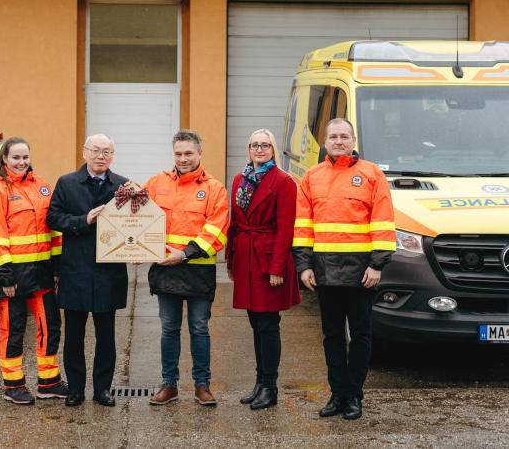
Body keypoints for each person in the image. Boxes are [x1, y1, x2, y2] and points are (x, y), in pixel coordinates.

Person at [293, 118, 396, 420]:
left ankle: (354, 397)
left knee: (361, 337)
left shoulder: (371, 174)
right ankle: (336, 395)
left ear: (353, 141)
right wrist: (304, 266)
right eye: (333, 136)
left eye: (344, 136)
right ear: (325, 142)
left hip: (361, 274)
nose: (339, 141)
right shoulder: (312, 176)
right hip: (324, 273)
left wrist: (378, 265)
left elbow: (383, 222)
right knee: (332, 337)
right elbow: (303, 226)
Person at [0, 137, 67, 405]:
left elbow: (53, 229)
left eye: (25, 157)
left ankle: (48, 381)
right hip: (13, 275)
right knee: (13, 329)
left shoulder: (41, 186)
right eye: (16, 158)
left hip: (41, 273)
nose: (21, 162)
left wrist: (56, 268)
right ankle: (13, 385)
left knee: (50, 325)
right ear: (4, 159)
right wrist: (3, 274)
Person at [145, 130, 229, 407]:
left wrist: (184, 254)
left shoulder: (215, 189)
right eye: (178, 153)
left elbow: (216, 231)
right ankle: (169, 385)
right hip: (166, 271)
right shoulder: (157, 183)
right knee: (169, 329)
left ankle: (202, 386)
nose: (183, 158)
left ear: (199, 153)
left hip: (197, 272)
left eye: (188, 153)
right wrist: (132, 246)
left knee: (199, 329)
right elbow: (136, 216)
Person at [46, 134, 129, 407]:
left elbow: (137, 222)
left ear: (112, 156)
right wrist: (84, 220)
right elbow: (53, 218)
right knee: (74, 336)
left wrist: (138, 248)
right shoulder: (67, 183)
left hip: (110, 272)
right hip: (76, 271)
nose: (100, 156)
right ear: (84, 153)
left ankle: (103, 389)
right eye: (95, 150)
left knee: (107, 336)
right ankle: (76, 389)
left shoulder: (123, 186)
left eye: (106, 151)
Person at [226, 129, 300, 410]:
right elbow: (235, 222)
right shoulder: (239, 179)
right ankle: (259, 383)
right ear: (248, 149)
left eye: (265, 145)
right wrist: (231, 259)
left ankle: (270, 387)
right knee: (255, 323)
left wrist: (277, 266)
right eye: (254, 144)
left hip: (268, 259)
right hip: (245, 256)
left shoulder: (283, 181)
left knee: (268, 325)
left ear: (273, 149)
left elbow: (286, 228)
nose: (259, 149)